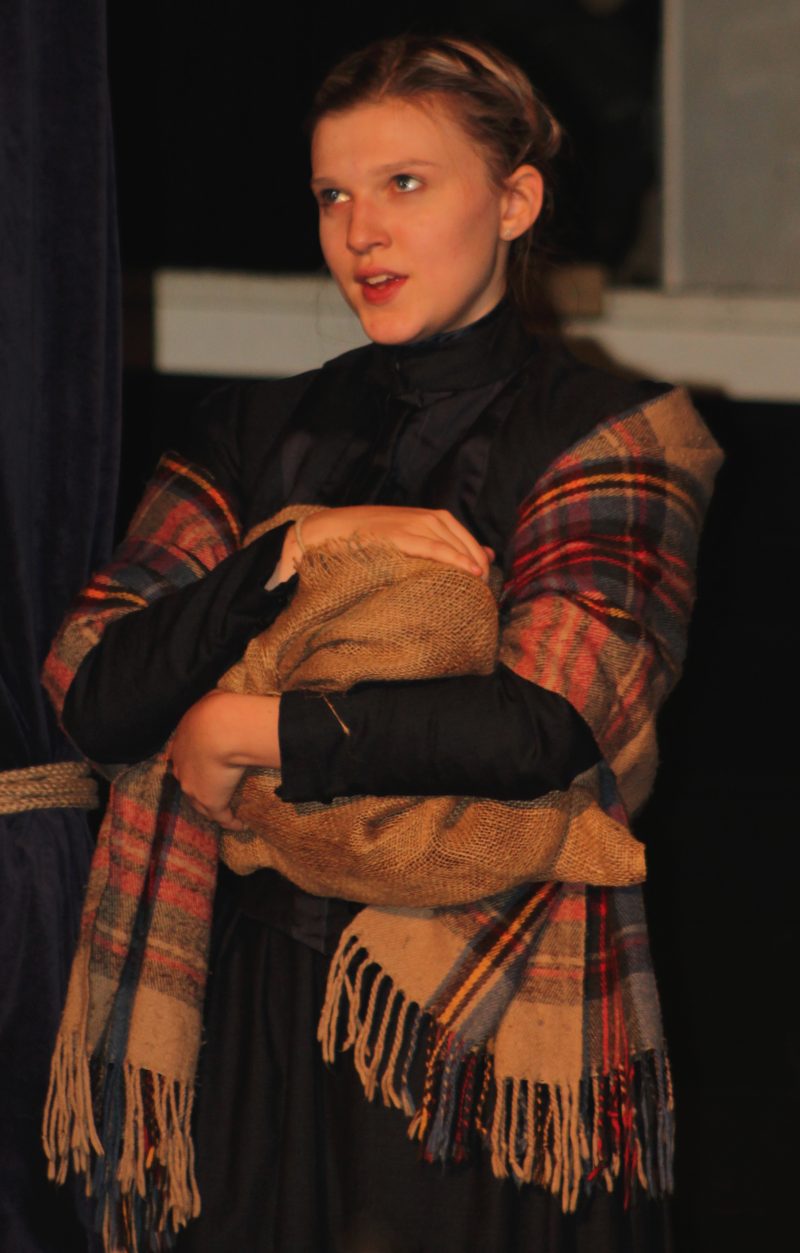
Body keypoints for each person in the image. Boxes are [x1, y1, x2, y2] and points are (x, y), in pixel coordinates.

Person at [42, 34, 721, 1253]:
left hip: (488, 1029)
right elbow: (94, 689)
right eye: (331, 194)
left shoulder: (616, 433)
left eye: (404, 183)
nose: (360, 231)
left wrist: (247, 724)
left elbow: (542, 722)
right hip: (249, 1006)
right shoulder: (251, 428)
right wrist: (293, 546)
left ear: (514, 200)